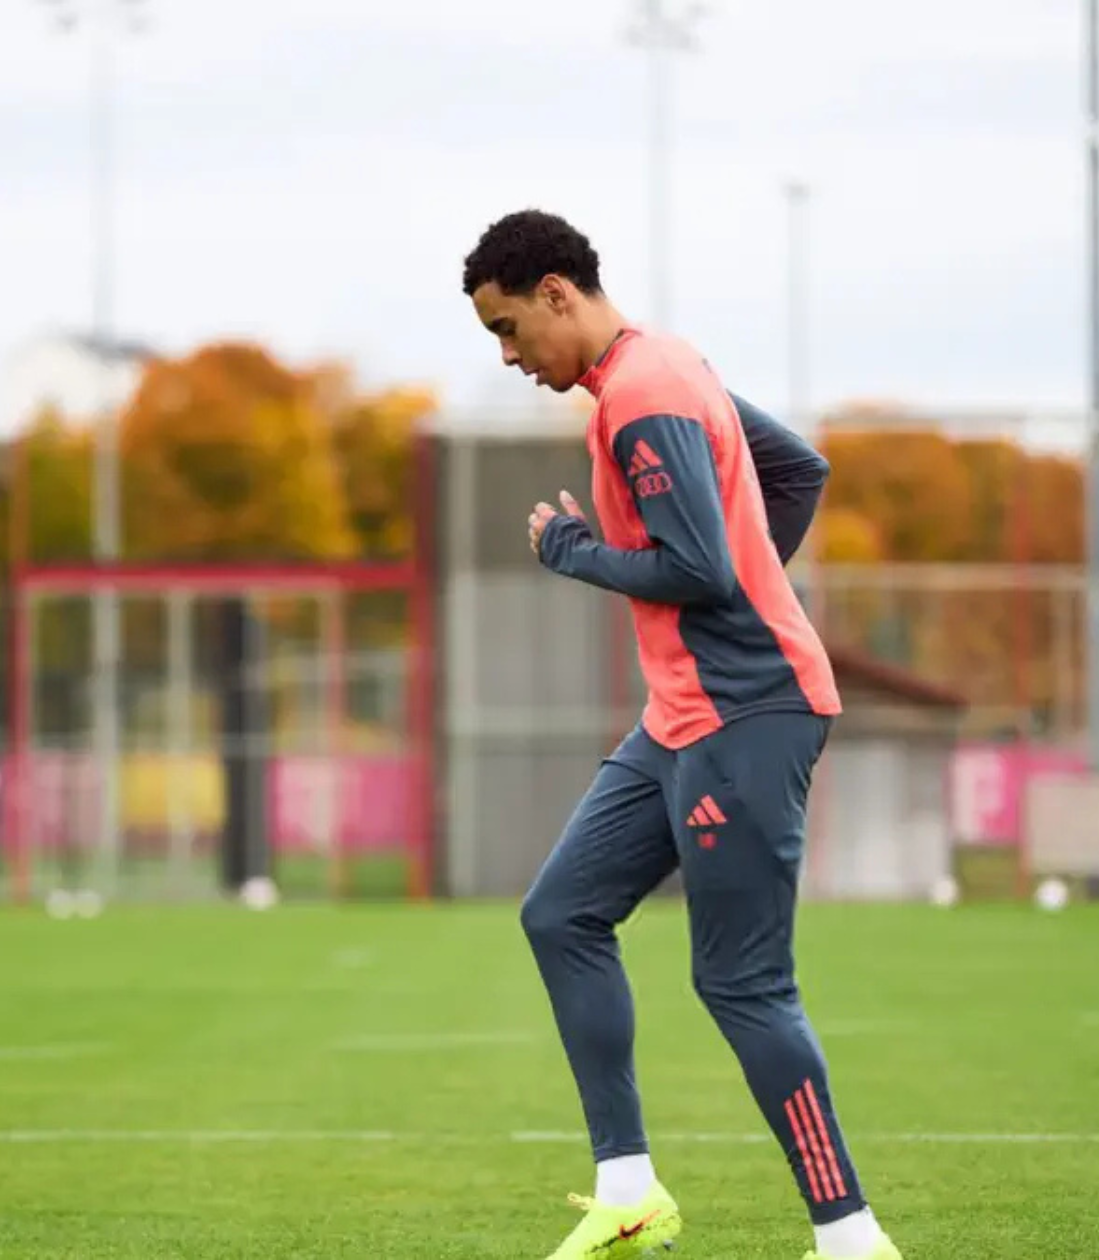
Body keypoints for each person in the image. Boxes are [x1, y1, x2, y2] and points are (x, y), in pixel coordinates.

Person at [460, 210, 901, 1260]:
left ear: (558, 291)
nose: (510, 356)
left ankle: (849, 1235)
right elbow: (795, 473)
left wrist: (574, 550)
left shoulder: (645, 393)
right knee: (561, 912)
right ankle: (628, 1190)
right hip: (682, 719)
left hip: (745, 717)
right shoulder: (662, 365)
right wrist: (750, 580)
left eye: (509, 328)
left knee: (741, 983)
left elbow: (698, 569)